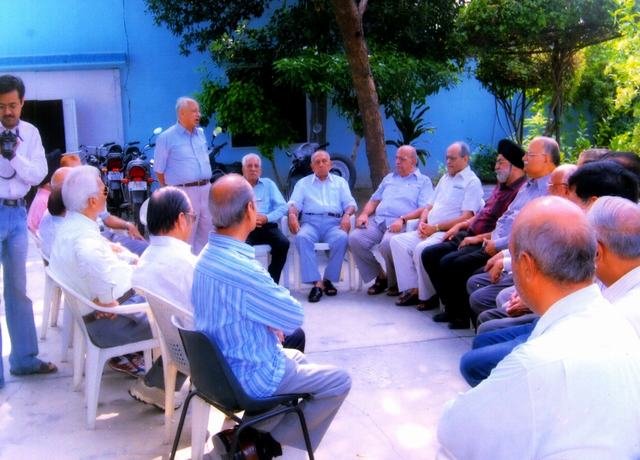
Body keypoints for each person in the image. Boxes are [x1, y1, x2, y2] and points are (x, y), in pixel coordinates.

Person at [438, 196, 640, 458]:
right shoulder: (616, 322)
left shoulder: (531, 365)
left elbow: (454, 430)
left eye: (512, 256)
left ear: (526, 264)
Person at [193, 174, 351, 455]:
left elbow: (237, 309)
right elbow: (292, 317)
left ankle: (250, 435)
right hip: (249, 376)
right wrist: (271, 318)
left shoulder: (206, 255)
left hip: (217, 371)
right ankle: (260, 446)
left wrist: (267, 320)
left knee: (297, 357)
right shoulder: (243, 269)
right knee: (339, 381)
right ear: (250, 210)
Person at [458, 170, 639, 388]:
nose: (562, 198)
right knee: (483, 341)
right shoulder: (618, 262)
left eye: (569, 194)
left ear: (597, 251)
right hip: (560, 322)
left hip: (563, 337)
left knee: (474, 363)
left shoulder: (623, 315)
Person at [49, 165, 175, 409]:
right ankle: (159, 387)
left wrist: (126, 260)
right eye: (104, 190)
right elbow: (90, 256)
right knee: (186, 321)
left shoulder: (71, 227)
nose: (106, 194)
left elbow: (98, 252)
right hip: (114, 322)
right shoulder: (83, 239)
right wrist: (105, 298)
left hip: (103, 312)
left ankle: (159, 380)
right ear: (92, 200)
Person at [132, 186, 305, 352]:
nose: (192, 223)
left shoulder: (145, 258)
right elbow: (224, 315)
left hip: (175, 346)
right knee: (294, 335)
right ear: (181, 220)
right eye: (193, 217)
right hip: (210, 351)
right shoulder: (191, 265)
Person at [423, 136, 559, 329]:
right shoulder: (527, 187)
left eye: (530, 155)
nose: (525, 158)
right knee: (434, 255)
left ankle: (463, 316)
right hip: (490, 240)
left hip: (508, 249)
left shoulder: (550, 191)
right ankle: (454, 310)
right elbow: (504, 219)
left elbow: (530, 233)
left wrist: (495, 245)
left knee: (456, 266)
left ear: (545, 158)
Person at [390, 140, 521, 310]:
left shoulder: (471, 182)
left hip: (455, 233)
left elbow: (470, 216)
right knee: (397, 242)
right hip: (444, 229)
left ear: (465, 159)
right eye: (446, 158)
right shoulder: (446, 178)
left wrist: (437, 228)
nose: (448, 162)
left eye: (452, 158)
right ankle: (415, 289)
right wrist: (422, 222)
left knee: (429, 253)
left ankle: (433, 298)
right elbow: (429, 206)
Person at [465, 163, 577, 324]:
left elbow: (552, 265)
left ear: (567, 189)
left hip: (546, 287)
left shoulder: (572, 222)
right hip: (515, 257)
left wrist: (504, 259)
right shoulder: (534, 195)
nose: (548, 189)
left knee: (492, 303)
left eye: (553, 186)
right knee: (477, 283)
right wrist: (503, 255)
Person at [0, 74, 57, 387]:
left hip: (17, 213)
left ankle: (24, 360)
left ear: (22, 103)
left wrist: (13, 155)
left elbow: (37, 174)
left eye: (12, 105)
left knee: (18, 291)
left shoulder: (31, 133)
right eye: (1, 106)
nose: (7, 111)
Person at [348, 145, 433, 297]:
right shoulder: (389, 178)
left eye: (402, 159)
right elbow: (374, 200)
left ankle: (394, 282)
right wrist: (364, 214)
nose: (397, 162)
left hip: (401, 223)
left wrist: (403, 219)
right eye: (396, 158)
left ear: (413, 161)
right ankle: (381, 276)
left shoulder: (423, 181)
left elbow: (424, 208)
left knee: (388, 243)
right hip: (379, 221)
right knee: (355, 238)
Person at [288, 150, 357, 302]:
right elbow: (294, 204)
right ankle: (316, 283)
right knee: (302, 237)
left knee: (342, 238)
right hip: (310, 222)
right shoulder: (303, 183)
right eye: (317, 162)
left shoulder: (340, 182)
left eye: (324, 161)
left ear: (330, 164)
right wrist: (292, 215)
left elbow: (350, 204)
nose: (321, 164)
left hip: (333, 223)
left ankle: (328, 279)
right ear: (312, 166)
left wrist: (347, 215)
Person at [154, 96, 212, 253]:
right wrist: (172, 193)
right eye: (194, 111)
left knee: (207, 234)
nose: (198, 114)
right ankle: (185, 267)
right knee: (186, 235)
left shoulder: (201, 133)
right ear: (181, 114)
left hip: (206, 190)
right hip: (184, 192)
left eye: (198, 111)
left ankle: (201, 267)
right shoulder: (166, 137)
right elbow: (159, 170)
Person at [242, 153, 290, 283]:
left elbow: (283, 207)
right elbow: (230, 210)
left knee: (283, 243)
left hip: (267, 226)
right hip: (245, 228)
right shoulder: (236, 186)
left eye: (256, 166)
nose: (253, 169)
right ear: (243, 169)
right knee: (241, 249)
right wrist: (247, 219)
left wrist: (266, 218)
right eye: (249, 166)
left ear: (260, 170)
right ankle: (249, 283)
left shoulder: (268, 184)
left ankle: (271, 282)